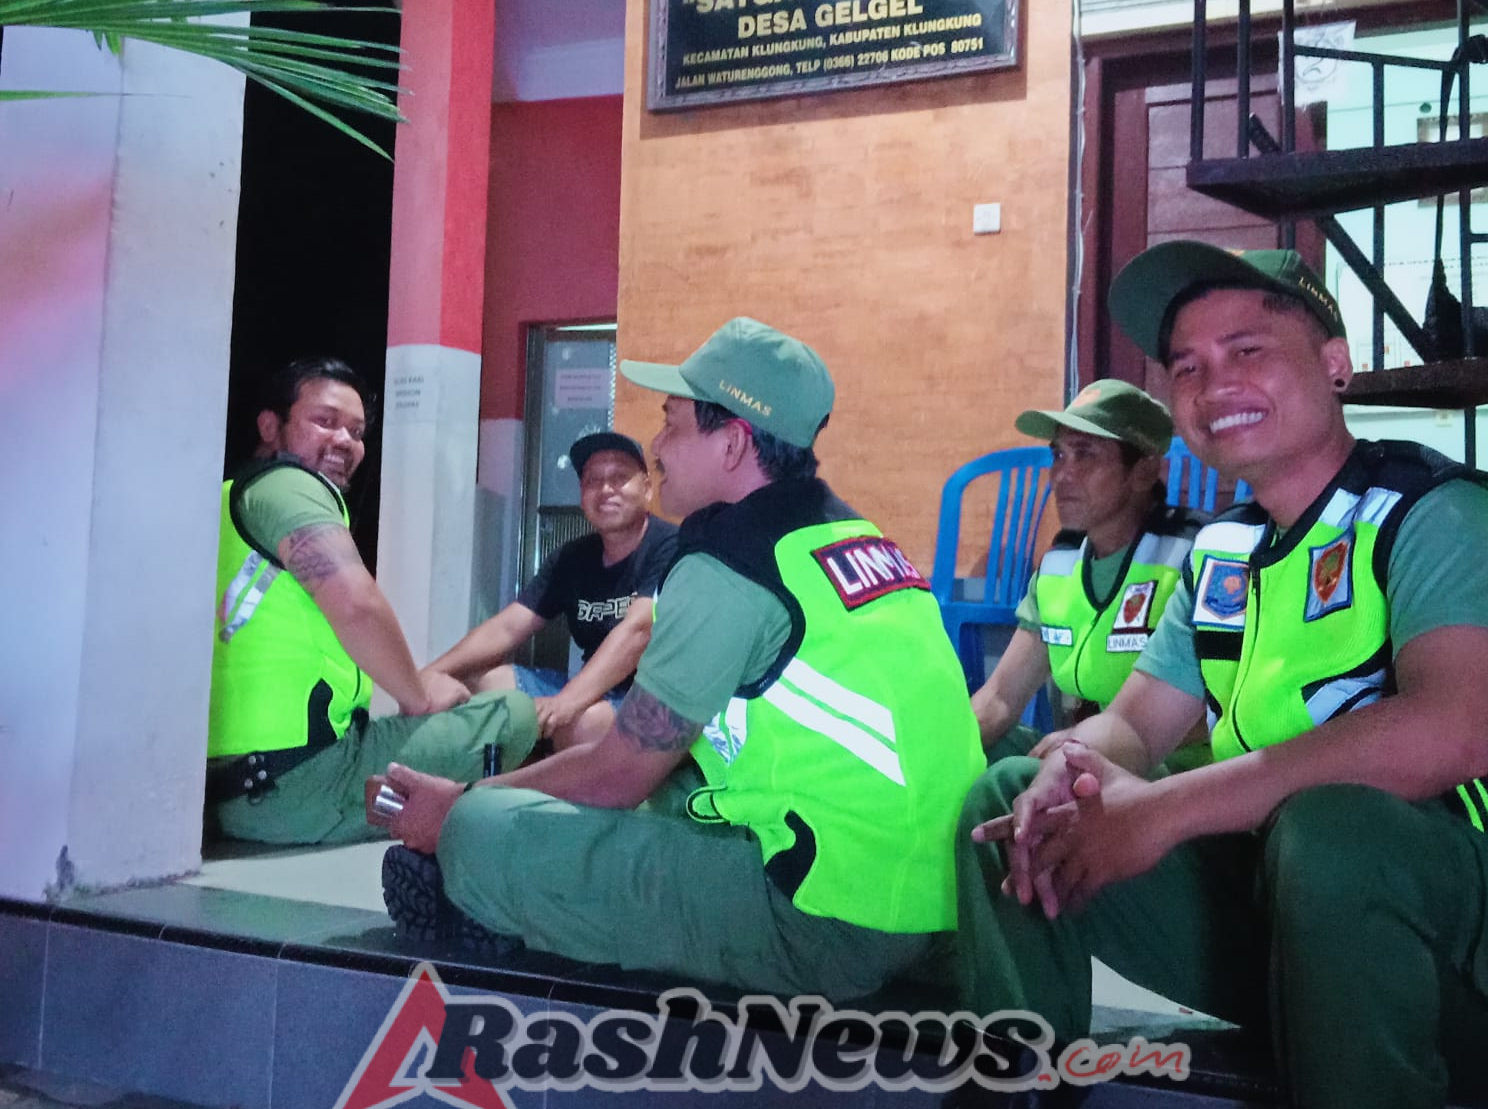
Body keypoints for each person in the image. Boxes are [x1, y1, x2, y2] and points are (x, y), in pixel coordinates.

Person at [938, 244, 1488, 1109]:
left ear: (1335, 362)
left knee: (1332, 828)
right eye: (1188, 366)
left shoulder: (1438, 512)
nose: (1216, 384)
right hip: (1288, 927)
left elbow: (1449, 732)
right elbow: (1132, 727)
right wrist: (1071, 762)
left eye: (1249, 349)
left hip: (1473, 958)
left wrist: (1164, 812)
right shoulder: (1222, 553)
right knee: (1016, 799)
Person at [372, 317, 986, 1002]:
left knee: (485, 831)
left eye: (673, 424)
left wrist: (456, 807)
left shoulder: (730, 563)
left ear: (732, 443)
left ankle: (483, 890)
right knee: (663, 799)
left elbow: (619, 775)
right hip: (936, 910)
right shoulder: (858, 537)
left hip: (826, 923)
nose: (657, 446)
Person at [206, 358, 537, 846]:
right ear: (270, 426)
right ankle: (429, 818)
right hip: (299, 787)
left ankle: (404, 809)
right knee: (511, 713)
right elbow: (356, 603)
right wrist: (418, 695)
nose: (346, 441)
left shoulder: (231, 495)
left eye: (357, 431)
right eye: (326, 421)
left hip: (234, 789)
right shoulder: (288, 486)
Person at [970, 380, 1205, 769]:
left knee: (1014, 775)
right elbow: (1000, 699)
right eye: (1059, 455)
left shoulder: (1192, 557)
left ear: (1145, 470)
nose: (1062, 475)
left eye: (1086, 455)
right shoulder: (1060, 563)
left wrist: (1097, 737)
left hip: (1174, 766)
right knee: (979, 754)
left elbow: (1222, 712)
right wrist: (930, 755)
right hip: (1085, 749)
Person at [428, 430, 677, 749]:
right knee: (492, 686)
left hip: (652, 700)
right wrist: (430, 674)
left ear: (646, 488)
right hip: (592, 690)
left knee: (583, 725)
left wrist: (567, 702)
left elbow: (638, 632)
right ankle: (496, 792)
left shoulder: (670, 545)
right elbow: (507, 627)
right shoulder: (572, 557)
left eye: (619, 478)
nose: (605, 489)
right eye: (592, 481)